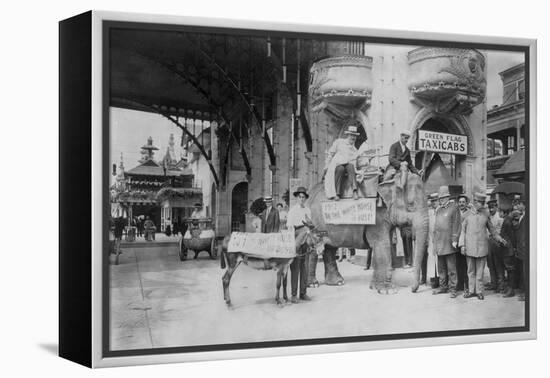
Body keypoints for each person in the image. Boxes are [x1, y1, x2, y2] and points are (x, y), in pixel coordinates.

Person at [458, 192, 506, 300]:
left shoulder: (485, 215)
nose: (483, 205)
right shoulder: (466, 215)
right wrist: (462, 245)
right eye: (481, 202)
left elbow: (492, 230)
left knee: (480, 271)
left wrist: (500, 239)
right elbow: (463, 231)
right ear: (475, 202)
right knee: (470, 271)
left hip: (482, 248)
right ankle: (471, 291)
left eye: (483, 202)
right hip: (469, 247)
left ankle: (479, 291)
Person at [432, 186, 461, 298]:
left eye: (443, 197)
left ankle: (453, 289)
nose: (441, 199)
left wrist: (454, 240)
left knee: (451, 269)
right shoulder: (438, 210)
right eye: (440, 198)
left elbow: (457, 225)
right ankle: (443, 287)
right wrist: (435, 244)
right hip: (439, 244)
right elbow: (436, 228)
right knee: (441, 268)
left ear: (448, 197)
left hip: (449, 244)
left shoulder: (454, 208)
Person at [286, 186, 313, 303]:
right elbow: (289, 226)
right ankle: (293, 295)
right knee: (295, 267)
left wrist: (308, 233)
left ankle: (303, 293)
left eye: (303, 197)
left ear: (305, 199)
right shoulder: (293, 210)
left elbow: (310, 224)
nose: (301, 199)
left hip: (306, 235)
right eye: (300, 197)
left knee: (304, 266)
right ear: (297, 198)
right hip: (296, 235)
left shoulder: (308, 210)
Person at [323, 122, 361, 201]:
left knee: (350, 166)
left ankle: (354, 190)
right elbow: (331, 153)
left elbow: (356, 162)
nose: (353, 137)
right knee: (340, 169)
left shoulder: (355, 150)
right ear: (348, 135)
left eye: (354, 136)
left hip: (348, 165)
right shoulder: (339, 142)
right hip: (337, 164)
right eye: (351, 135)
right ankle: (337, 193)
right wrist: (327, 165)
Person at [486, 198, 505, 292]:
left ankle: (501, 284)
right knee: (490, 264)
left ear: (496, 207)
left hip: (497, 242)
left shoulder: (500, 218)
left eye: (492, 207)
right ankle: (493, 283)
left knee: (498, 264)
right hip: (489, 242)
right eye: (489, 207)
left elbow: (500, 232)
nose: (491, 209)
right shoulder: (488, 217)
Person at [456, 193, 474, 294]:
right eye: (460, 202)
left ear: (466, 203)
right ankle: (459, 285)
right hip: (456, 242)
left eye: (463, 202)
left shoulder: (469, 213)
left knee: (467, 265)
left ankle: (467, 285)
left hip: (466, 242)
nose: (461, 204)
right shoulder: (455, 213)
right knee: (457, 264)